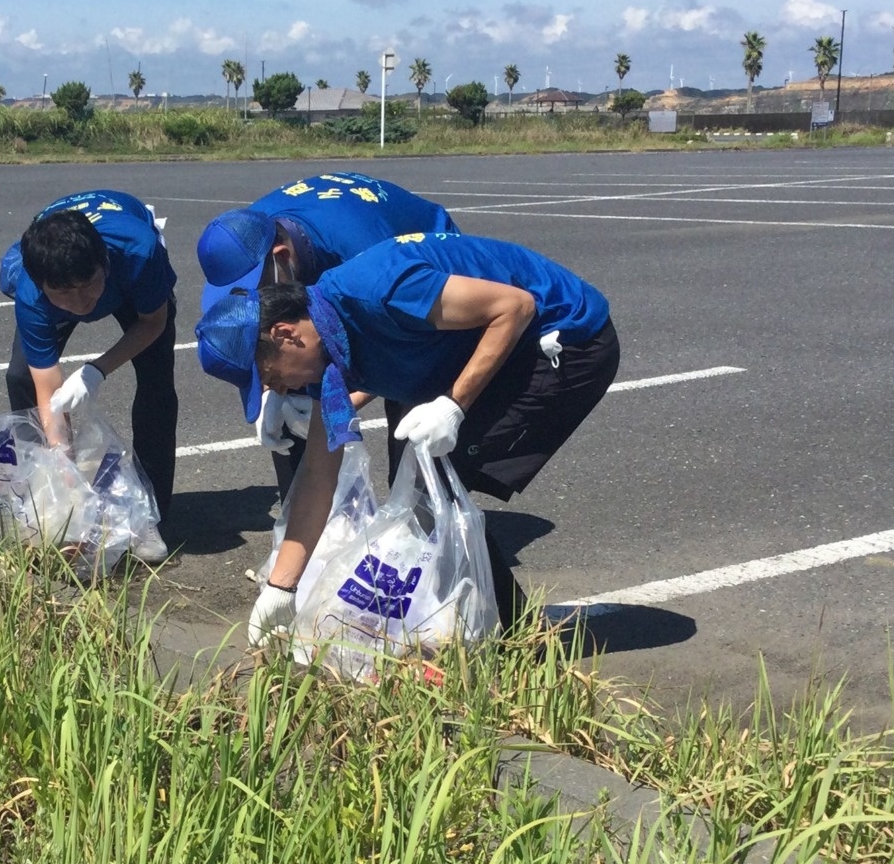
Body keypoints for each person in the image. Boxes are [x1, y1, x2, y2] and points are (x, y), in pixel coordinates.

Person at [196, 231, 619, 644]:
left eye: (272, 378)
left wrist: (455, 404)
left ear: (285, 335)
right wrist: (280, 588)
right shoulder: (327, 349)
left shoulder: (376, 293)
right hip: (493, 341)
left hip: (564, 340)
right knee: (422, 484)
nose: (282, 391)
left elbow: (515, 306)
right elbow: (318, 474)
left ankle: (514, 640)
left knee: (436, 483)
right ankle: (482, 629)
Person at [196, 171, 460, 495]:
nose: (258, 300)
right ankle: (307, 518)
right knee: (289, 368)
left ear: (280, 257)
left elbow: (393, 350)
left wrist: (340, 401)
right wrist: (271, 393)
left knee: (412, 413)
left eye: (260, 289)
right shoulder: (244, 236)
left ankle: (422, 516)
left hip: (428, 268)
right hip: (324, 255)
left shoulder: (367, 261)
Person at [0, 190, 178, 518]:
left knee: (157, 381)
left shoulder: (139, 251)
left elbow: (153, 322)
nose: (82, 302)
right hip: (63, 284)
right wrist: (64, 470)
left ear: (104, 264)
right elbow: (48, 387)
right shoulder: (30, 290)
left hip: (127, 282)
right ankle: (42, 489)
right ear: (42, 286)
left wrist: (96, 370)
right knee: (21, 376)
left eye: (88, 285)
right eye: (66, 293)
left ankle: (154, 512)